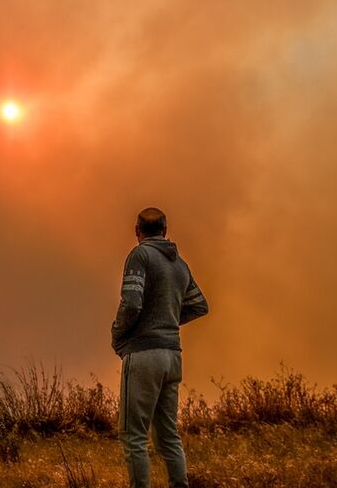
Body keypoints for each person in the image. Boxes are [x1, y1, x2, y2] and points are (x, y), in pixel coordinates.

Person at [112, 208, 209, 488]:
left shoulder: (140, 255)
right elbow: (199, 305)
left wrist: (118, 333)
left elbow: (131, 303)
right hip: (172, 355)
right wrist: (167, 319)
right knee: (168, 436)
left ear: (137, 230)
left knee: (134, 437)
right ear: (166, 230)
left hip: (144, 354)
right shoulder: (180, 265)